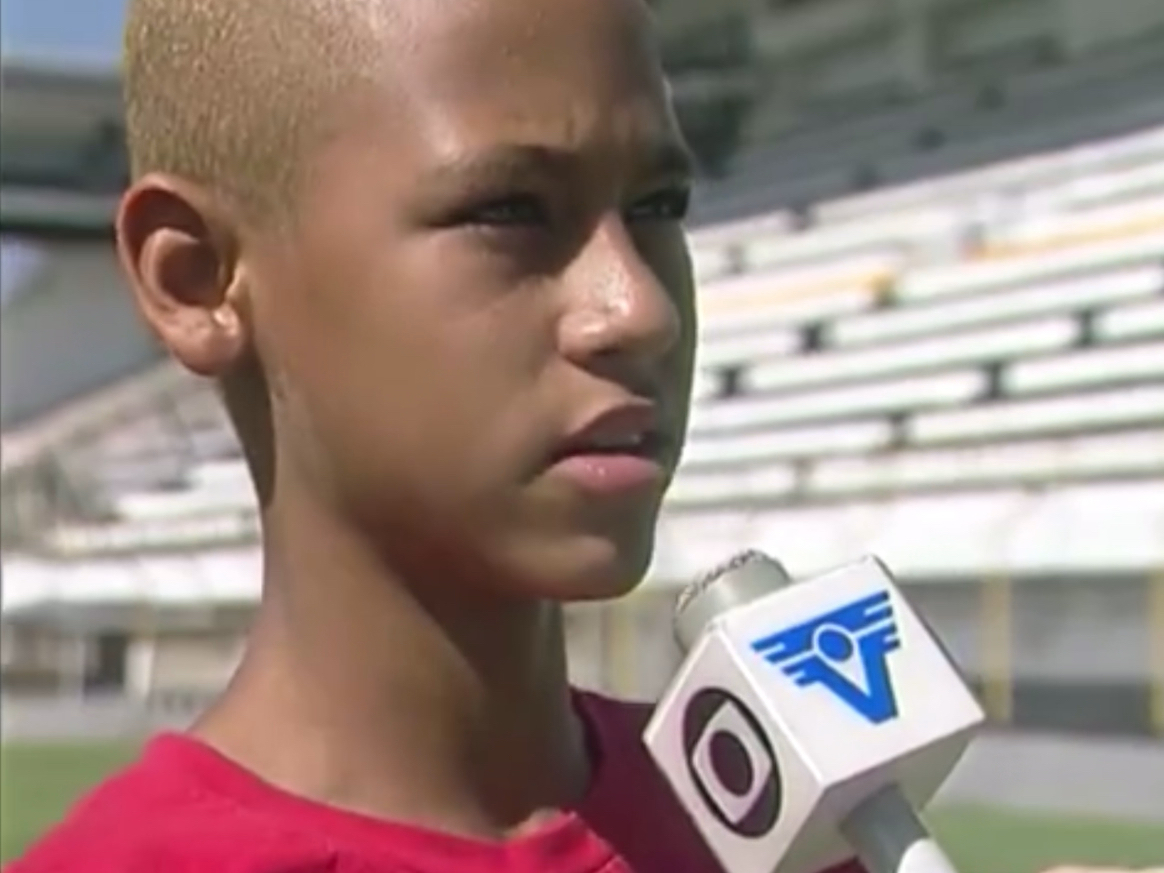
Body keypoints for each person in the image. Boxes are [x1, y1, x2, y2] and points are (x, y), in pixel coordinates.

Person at [6, 2, 1153, 872]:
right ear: (198, 278)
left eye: (659, 208)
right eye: (508, 210)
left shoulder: (785, 837)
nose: (638, 307)